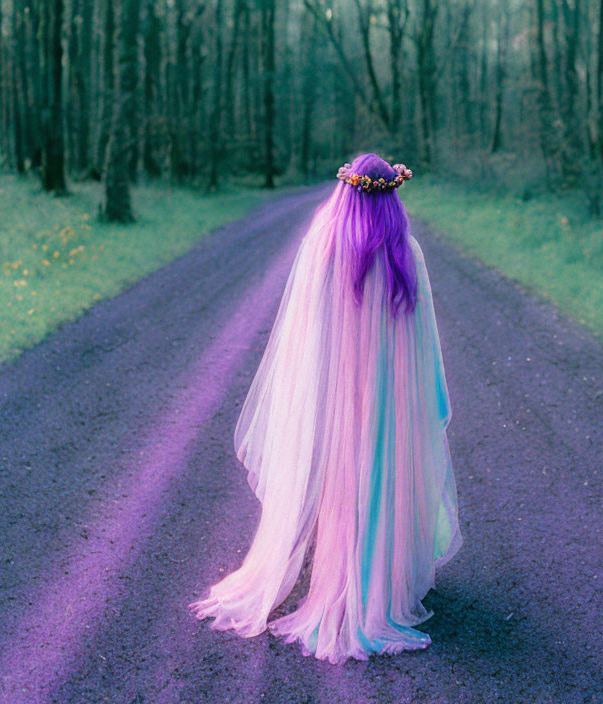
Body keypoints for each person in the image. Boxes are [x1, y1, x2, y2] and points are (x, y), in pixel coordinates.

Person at [188, 152, 463, 664]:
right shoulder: (407, 253)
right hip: (387, 399)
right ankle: (374, 583)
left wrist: (311, 398)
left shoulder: (324, 246)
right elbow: (423, 340)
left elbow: (302, 335)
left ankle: (340, 576)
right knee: (379, 478)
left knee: (340, 477)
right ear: (393, 199)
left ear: (347, 191)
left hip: (337, 394)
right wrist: (429, 402)